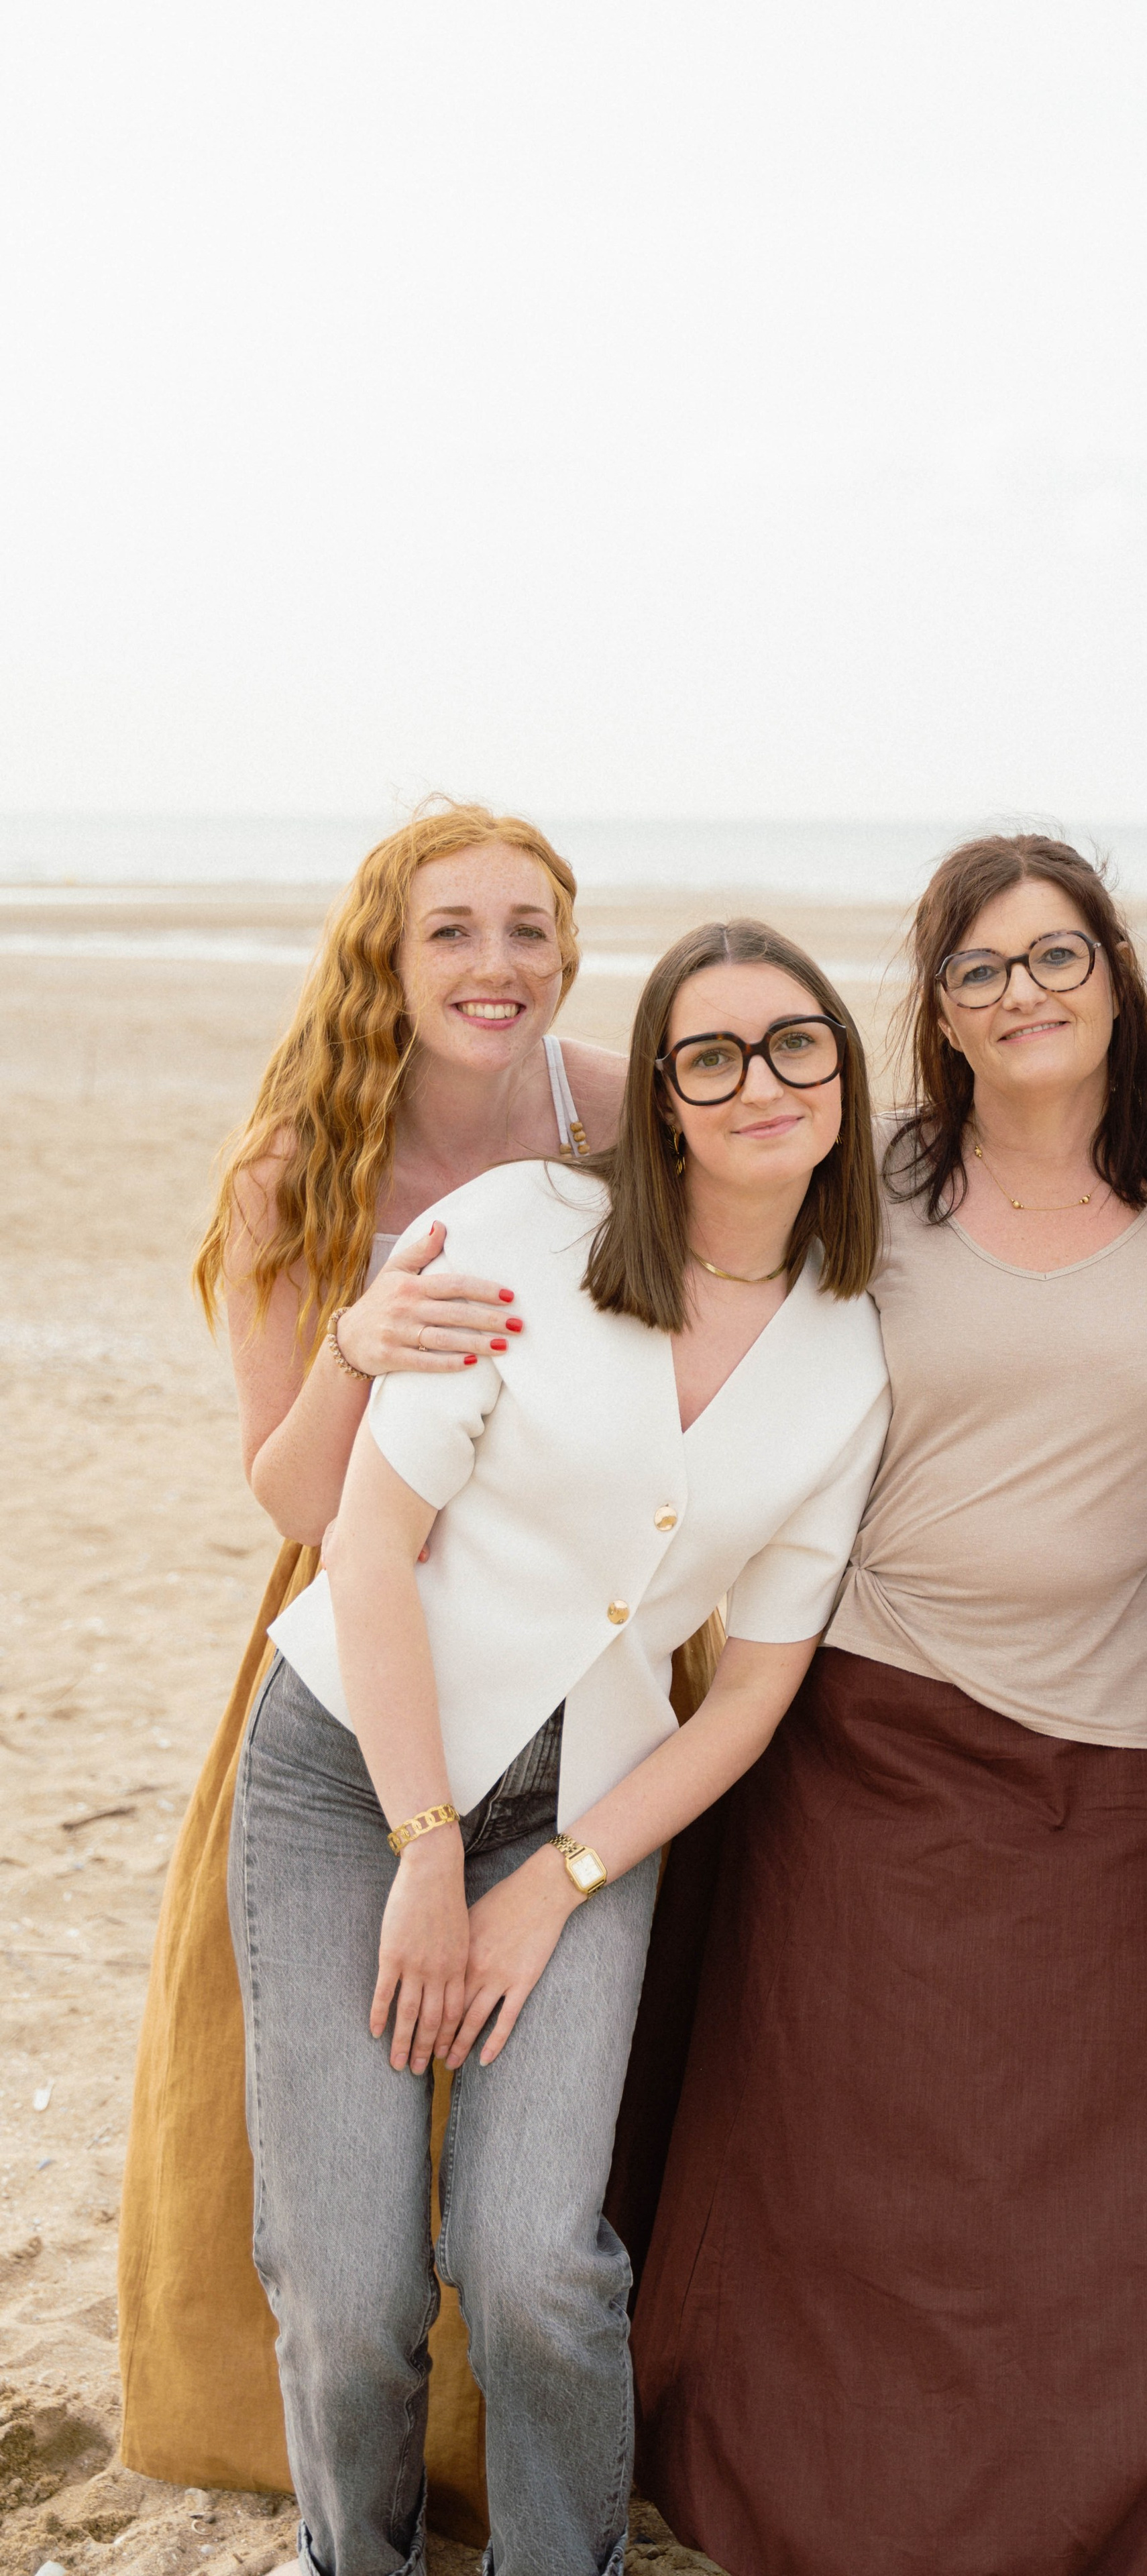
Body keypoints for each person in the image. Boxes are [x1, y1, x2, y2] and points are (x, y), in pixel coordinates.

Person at [633, 835, 1147, 2576]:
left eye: (1056, 957)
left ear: (1118, 978)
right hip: (868, 1725)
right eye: (981, 971)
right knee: (847, 2182)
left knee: (1125, 2194)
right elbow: (651, 1218)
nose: (1024, 996)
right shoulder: (877, 1179)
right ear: (938, 1011)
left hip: (1135, 1747)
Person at [238, 915, 887, 2576]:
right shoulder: (517, 1232)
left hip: (588, 1813)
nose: (760, 1083)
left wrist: (554, 1882)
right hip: (351, 1780)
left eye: (796, 1045)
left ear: (842, 1073)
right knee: (350, 2283)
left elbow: (747, 1691)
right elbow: (362, 1548)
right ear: (657, 1095)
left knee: (533, 2272)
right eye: (712, 1054)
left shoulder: (851, 1352)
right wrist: (430, 1851)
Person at [118, 801, 643, 2521]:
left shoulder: (617, 1112)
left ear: (566, 945)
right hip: (368, 1654)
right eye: (452, 931)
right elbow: (286, 1487)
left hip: (587, 1669)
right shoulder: (302, 1161)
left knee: (539, 2217)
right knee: (339, 2248)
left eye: (526, 928)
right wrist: (354, 1343)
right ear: (386, 957)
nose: (496, 965)